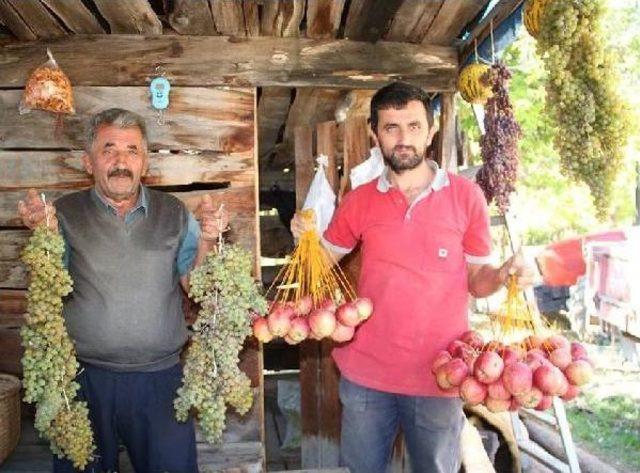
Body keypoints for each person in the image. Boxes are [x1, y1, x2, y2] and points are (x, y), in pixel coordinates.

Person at [291, 82, 534, 473]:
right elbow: (323, 261)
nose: (404, 138)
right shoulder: (359, 200)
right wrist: (303, 241)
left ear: (431, 131)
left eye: (414, 126)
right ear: (375, 134)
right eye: (391, 127)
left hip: (441, 375)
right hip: (367, 376)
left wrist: (504, 274)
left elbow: (477, 278)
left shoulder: (465, 196)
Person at [18, 108, 228, 473]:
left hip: (159, 381)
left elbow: (198, 287)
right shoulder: (63, 215)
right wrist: (42, 237)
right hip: (82, 381)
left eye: (132, 150)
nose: (120, 161)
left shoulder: (173, 213)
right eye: (108, 149)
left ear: (144, 161)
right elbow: (47, 286)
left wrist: (208, 239)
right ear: (88, 162)